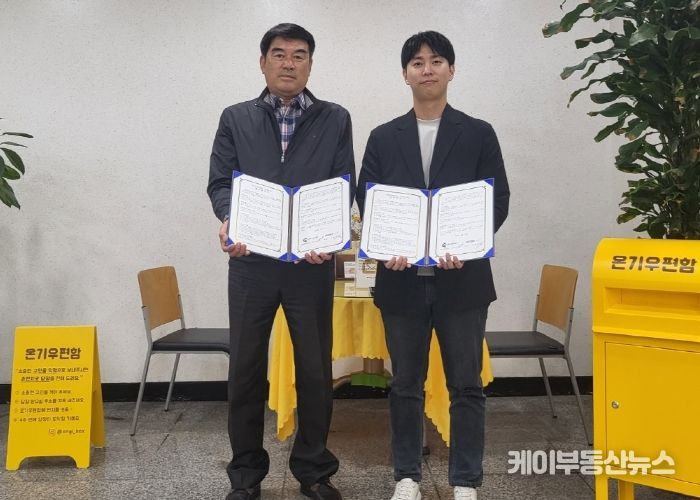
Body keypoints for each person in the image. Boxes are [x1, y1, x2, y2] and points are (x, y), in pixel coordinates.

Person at [356, 31, 509, 500]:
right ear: (405, 74)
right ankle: (407, 476)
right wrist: (385, 245)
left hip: (463, 280)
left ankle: (465, 480)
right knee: (405, 384)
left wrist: (468, 244)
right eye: (417, 62)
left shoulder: (478, 133)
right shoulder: (384, 136)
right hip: (401, 280)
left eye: (437, 60)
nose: (427, 69)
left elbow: (497, 199)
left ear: (451, 70)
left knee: (466, 385)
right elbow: (368, 199)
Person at [207, 23, 354, 500]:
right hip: (251, 263)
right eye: (279, 53)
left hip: (310, 265)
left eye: (299, 54)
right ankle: (245, 477)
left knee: (314, 370)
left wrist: (328, 236)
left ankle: (314, 471)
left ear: (310, 63)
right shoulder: (236, 117)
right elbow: (221, 181)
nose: (288, 63)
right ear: (262, 62)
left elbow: (343, 183)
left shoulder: (335, 118)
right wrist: (230, 218)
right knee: (246, 370)